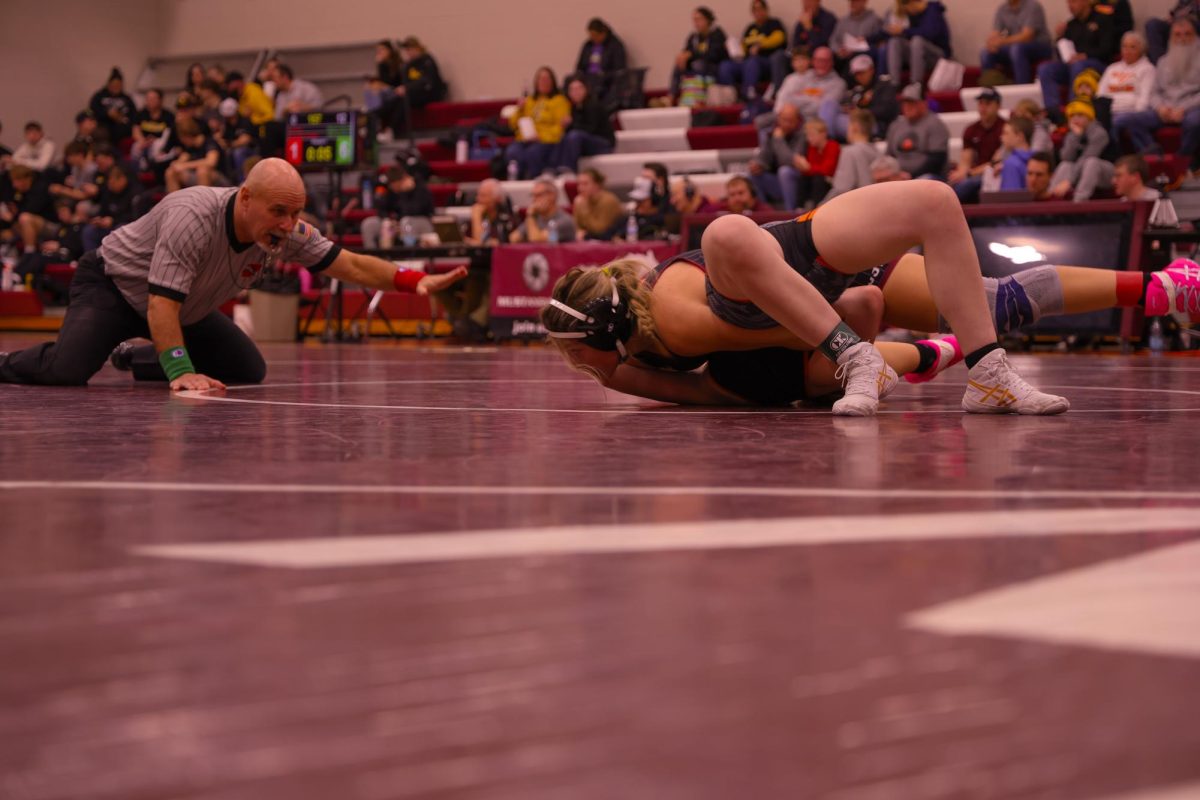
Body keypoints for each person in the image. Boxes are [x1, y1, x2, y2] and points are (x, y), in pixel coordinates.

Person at [539, 180, 1069, 415]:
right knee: (734, 238)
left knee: (936, 201)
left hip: (779, 269)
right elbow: (706, 390)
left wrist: (842, 335)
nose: (575, 365)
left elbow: (744, 361)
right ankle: (875, 356)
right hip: (784, 283)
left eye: (577, 353)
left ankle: (986, 372)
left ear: (605, 331)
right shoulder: (626, 355)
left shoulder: (671, 315)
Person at [0, 159, 465, 389]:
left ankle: (132, 357)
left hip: (187, 305)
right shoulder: (192, 214)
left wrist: (412, 280)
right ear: (245, 198)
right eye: (278, 211)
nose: (287, 224)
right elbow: (161, 302)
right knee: (68, 369)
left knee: (246, 369)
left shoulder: (286, 229)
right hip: (115, 288)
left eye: (295, 213)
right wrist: (181, 373)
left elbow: (352, 263)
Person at [1111, 19, 1200, 165]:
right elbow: (1154, 93)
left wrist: (1184, 109)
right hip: (1165, 109)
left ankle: (1182, 160)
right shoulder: (1163, 61)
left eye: (1187, 34)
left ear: (1195, 37)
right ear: (1171, 38)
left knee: (1194, 122)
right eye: (1177, 35)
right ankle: (1154, 156)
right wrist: (1160, 108)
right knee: (1124, 120)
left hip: (1191, 109)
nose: (1182, 39)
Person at [1038, 0, 1118, 120]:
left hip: (1098, 65)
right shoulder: (1071, 25)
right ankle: (1053, 111)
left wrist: (1086, 55)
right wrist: (1059, 37)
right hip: (1074, 65)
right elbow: (1062, 53)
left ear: (1085, 2)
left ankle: (1073, 108)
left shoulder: (1103, 19)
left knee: (1079, 65)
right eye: (1068, 3)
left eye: (1074, 2)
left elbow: (1108, 50)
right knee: (1045, 68)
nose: (1070, 6)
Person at [503, 67, 571, 180]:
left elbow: (560, 128)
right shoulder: (529, 100)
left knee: (532, 153)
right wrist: (519, 109)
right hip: (525, 139)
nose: (543, 82)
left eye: (546, 79)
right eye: (540, 79)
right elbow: (513, 125)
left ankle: (534, 181)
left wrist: (541, 137)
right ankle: (516, 181)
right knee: (512, 152)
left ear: (552, 82)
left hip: (546, 141)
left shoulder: (560, 101)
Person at [819, 53, 897, 140]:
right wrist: (847, 109)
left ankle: (825, 139)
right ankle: (826, 137)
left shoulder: (884, 86)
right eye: (856, 74)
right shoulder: (857, 90)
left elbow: (886, 110)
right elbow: (851, 105)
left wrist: (860, 112)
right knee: (829, 104)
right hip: (854, 121)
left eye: (862, 72)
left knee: (834, 122)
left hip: (873, 124)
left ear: (871, 70)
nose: (859, 77)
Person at [720, 0, 789, 99]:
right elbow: (744, 47)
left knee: (752, 61)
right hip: (747, 61)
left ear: (766, 10)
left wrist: (760, 45)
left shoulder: (774, 23)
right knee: (725, 65)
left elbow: (779, 38)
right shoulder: (750, 28)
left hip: (767, 61)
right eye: (755, 10)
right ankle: (733, 94)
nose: (758, 12)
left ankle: (749, 92)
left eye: (760, 9)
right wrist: (733, 48)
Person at [770, 46, 846, 135]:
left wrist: (799, 100)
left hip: (819, 120)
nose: (821, 64)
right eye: (818, 60)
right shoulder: (804, 76)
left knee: (839, 120)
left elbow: (822, 108)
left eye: (824, 60)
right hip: (795, 118)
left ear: (832, 62)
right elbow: (788, 98)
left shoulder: (838, 84)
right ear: (812, 61)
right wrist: (813, 99)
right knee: (763, 121)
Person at [1049, 100, 1116, 200]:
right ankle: (1051, 197)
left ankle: (1079, 201)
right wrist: (1075, 137)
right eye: (1072, 116)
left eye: (1080, 115)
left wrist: (1069, 181)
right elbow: (1066, 157)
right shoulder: (1072, 134)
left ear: (1089, 117)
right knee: (1065, 165)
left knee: (1091, 162)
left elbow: (1088, 156)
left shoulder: (1099, 133)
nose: (1075, 119)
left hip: (1107, 172)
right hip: (1082, 171)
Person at [950, 87, 1005, 203]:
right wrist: (960, 174)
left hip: (995, 173)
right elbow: (965, 160)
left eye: (988, 103)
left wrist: (969, 173)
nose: (983, 107)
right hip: (974, 174)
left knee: (967, 185)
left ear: (998, 106)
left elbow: (996, 162)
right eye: (980, 103)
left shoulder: (1005, 129)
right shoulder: (971, 130)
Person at [359, 165, 435, 248]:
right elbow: (382, 208)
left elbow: (414, 211)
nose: (393, 188)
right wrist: (388, 220)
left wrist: (406, 192)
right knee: (369, 224)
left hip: (420, 222)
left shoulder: (420, 188)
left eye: (396, 185)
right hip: (398, 224)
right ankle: (373, 258)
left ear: (403, 180)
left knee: (406, 222)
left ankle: (410, 256)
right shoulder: (392, 190)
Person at [885, 83, 950, 180]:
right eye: (904, 102)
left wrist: (912, 175)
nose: (907, 106)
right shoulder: (896, 125)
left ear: (924, 103)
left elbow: (937, 159)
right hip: (899, 177)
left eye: (911, 102)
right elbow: (890, 156)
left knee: (924, 179)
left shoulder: (935, 124)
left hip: (928, 177)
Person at [748, 105, 806, 211]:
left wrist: (779, 140)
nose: (787, 124)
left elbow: (790, 161)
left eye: (791, 121)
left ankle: (790, 212)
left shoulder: (802, 135)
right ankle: (764, 211)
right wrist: (758, 164)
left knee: (785, 171)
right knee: (753, 175)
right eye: (784, 120)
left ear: (797, 121)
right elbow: (763, 156)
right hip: (777, 181)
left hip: (799, 182)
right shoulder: (772, 133)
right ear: (778, 118)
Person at [981, 0, 1053, 85]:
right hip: (1014, 47)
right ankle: (989, 91)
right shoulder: (1002, 9)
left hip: (1040, 46)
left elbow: (1027, 36)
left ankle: (1021, 89)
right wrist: (991, 43)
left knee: (1017, 49)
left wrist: (1001, 41)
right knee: (986, 53)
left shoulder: (1033, 6)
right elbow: (995, 33)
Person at [881, 0, 951, 86]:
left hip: (938, 56)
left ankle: (916, 85)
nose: (906, 10)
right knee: (894, 41)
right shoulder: (912, 15)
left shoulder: (932, 10)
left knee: (917, 40)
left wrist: (903, 30)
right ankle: (894, 83)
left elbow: (929, 33)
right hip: (918, 56)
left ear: (912, 3)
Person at [555, 75, 615, 175]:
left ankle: (569, 170)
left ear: (586, 89)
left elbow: (591, 129)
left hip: (603, 143)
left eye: (579, 88)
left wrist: (571, 124)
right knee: (560, 138)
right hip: (584, 142)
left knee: (574, 136)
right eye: (572, 90)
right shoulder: (570, 108)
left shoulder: (594, 105)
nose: (576, 92)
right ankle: (554, 169)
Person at [1097, 32, 1156, 129]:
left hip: (1130, 113)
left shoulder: (1148, 69)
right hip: (1109, 112)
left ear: (1141, 50)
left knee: (1112, 123)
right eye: (1124, 46)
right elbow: (1100, 94)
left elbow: (1145, 99)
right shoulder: (1112, 68)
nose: (1127, 51)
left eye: (1132, 47)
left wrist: (1136, 118)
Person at [671, 7, 730, 101]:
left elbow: (713, 55)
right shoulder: (694, 37)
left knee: (699, 64)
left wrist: (691, 55)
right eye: (694, 20)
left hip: (714, 66)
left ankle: (699, 97)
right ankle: (671, 96)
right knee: (678, 63)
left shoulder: (717, 33)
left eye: (699, 19)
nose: (696, 23)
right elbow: (687, 50)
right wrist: (682, 56)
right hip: (698, 65)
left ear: (707, 20)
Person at [827, 110, 879, 198]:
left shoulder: (849, 152)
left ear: (855, 127)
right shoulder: (877, 152)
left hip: (854, 205)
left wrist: (819, 207)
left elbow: (841, 189)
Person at [164, 119, 223, 193]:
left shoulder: (209, 142)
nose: (182, 142)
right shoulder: (190, 147)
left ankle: (202, 203)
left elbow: (211, 162)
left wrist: (185, 165)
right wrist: (176, 164)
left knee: (202, 170)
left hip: (219, 177)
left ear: (186, 136)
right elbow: (181, 161)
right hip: (197, 176)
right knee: (171, 172)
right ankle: (176, 203)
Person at [575, 18, 628, 99]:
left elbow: (619, 69)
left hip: (605, 81)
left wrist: (603, 76)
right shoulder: (588, 45)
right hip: (587, 79)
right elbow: (580, 65)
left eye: (595, 35)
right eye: (591, 35)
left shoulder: (615, 45)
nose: (593, 38)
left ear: (603, 33)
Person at [509, 178, 576, 243]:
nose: (534, 200)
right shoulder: (536, 218)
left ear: (552, 196)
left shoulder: (565, 220)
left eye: (538, 195)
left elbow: (536, 240)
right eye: (533, 196)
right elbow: (513, 238)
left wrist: (531, 215)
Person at [793, 118, 840, 208]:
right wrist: (802, 166)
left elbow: (827, 170)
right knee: (803, 178)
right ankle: (798, 208)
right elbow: (811, 170)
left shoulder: (832, 146)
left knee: (818, 179)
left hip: (830, 181)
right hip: (817, 178)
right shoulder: (812, 148)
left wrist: (808, 167)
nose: (808, 139)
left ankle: (817, 208)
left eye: (812, 135)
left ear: (823, 134)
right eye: (808, 136)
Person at [88, 67, 136, 146]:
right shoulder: (99, 96)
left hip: (122, 127)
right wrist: (107, 114)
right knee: (100, 133)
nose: (116, 87)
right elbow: (92, 111)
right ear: (109, 84)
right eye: (114, 84)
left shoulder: (127, 99)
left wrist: (121, 118)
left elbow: (133, 115)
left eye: (119, 85)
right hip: (103, 125)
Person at [572, 168, 624, 240]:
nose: (580, 188)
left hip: (609, 242)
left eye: (585, 184)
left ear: (597, 185)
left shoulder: (608, 201)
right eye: (579, 184)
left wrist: (585, 209)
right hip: (588, 242)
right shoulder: (580, 201)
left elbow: (600, 230)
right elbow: (576, 227)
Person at [830, 0, 883, 69]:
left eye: (856, 1)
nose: (852, 4)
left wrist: (856, 50)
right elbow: (833, 40)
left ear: (864, 2)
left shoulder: (874, 20)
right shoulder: (843, 21)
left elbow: (878, 42)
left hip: (864, 57)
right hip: (842, 57)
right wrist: (838, 50)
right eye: (851, 1)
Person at [131, 89, 176, 167]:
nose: (150, 101)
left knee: (157, 147)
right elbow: (135, 129)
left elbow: (169, 134)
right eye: (148, 99)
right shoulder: (141, 114)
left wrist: (155, 140)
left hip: (160, 142)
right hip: (144, 141)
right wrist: (142, 140)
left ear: (160, 100)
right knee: (135, 147)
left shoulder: (168, 115)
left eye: (153, 99)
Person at [998, 115, 1036, 189]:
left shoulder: (1011, 164)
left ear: (1020, 136)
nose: (1001, 137)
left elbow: (1010, 197)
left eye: (1005, 133)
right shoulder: (1038, 160)